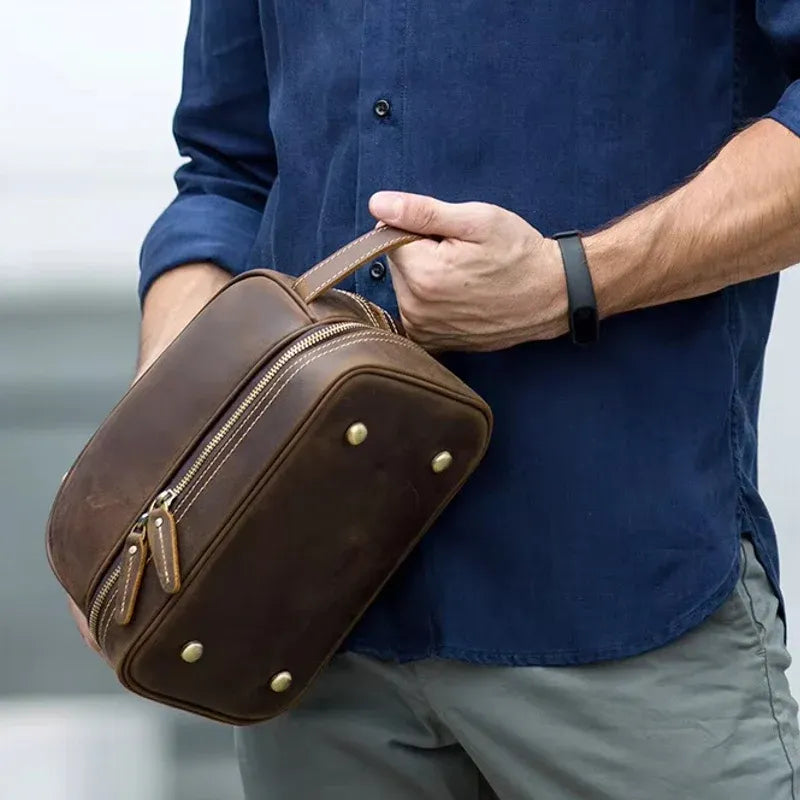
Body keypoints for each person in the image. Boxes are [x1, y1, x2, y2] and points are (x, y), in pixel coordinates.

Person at [72, 2, 800, 797]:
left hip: (623, 601)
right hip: (307, 626)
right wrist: (154, 462)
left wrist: (574, 280)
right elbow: (226, 172)